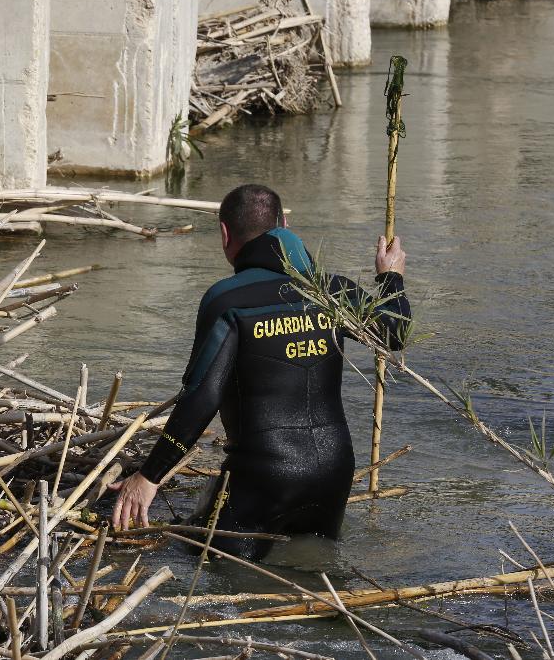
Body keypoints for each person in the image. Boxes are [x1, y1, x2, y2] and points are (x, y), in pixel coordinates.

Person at [108, 184, 411, 559]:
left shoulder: (228, 299)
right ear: (284, 224)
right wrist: (390, 278)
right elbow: (394, 334)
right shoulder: (331, 292)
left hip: (263, 475)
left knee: (207, 567)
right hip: (334, 471)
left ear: (224, 234)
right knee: (317, 581)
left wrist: (149, 476)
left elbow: (202, 397)